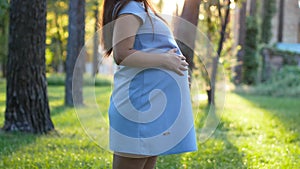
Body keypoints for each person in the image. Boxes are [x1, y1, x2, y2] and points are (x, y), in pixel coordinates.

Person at [101, 0, 197, 168]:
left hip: (150, 108)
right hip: (139, 108)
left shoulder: (140, 8)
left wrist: (173, 70)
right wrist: (166, 60)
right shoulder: (130, 8)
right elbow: (122, 54)